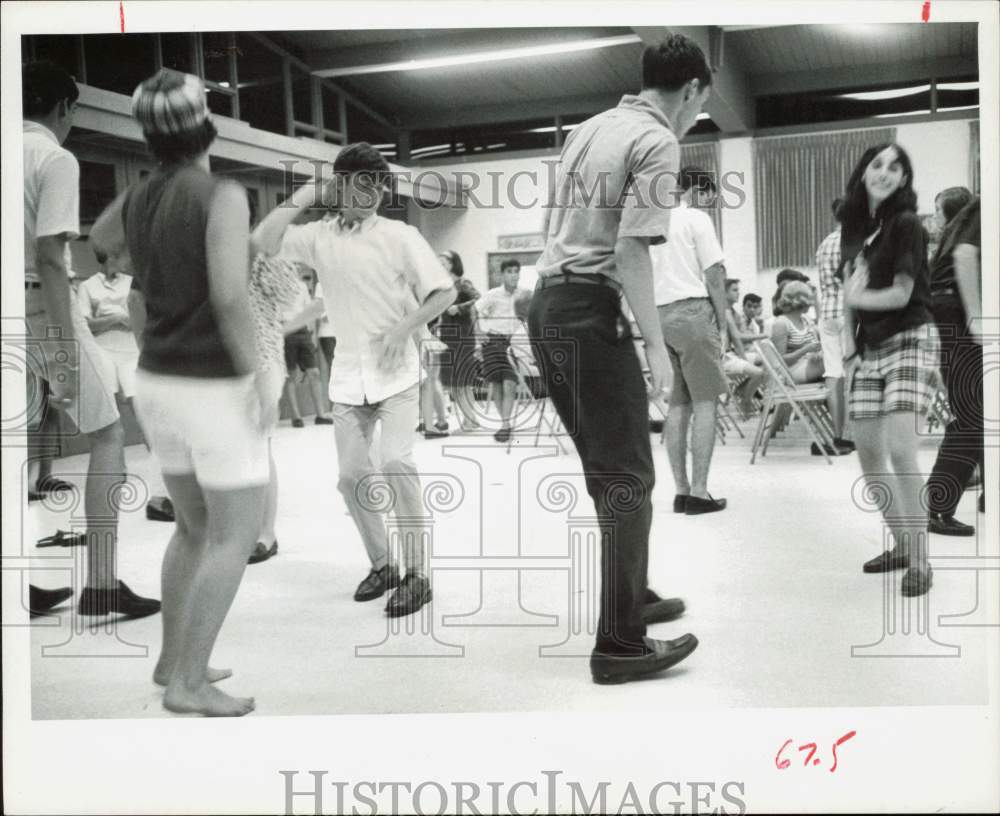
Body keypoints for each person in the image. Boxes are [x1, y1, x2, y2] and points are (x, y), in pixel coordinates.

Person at [91, 68, 271, 715]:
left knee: (193, 528)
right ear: (209, 130)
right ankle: (190, 683)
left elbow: (101, 241)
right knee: (235, 532)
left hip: (155, 378)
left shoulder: (142, 194)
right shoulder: (219, 193)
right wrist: (257, 376)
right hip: (210, 383)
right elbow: (227, 297)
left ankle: (172, 660)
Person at [530, 34, 708, 685]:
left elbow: (559, 220)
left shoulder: (593, 125)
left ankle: (630, 596)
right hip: (587, 308)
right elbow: (633, 251)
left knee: (611, 474)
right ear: (691, 90)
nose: (694, 117)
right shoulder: (660, 139)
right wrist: (657, 349)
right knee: (631, 475)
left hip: (548, 305)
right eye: (699, 105)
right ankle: (621, 646)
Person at [253, 142, 456, 619]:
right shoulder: (319, 236)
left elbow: (443, 292)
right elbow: (263, 240)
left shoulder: (399, 235)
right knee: (350, 477)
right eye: (352, 184)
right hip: (347, 377)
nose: (363, 195)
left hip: (397, 374)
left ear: (382, 191)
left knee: (397, 463)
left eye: (373, 186)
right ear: (339, 186)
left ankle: (418, 575)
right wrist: (309, 189)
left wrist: (405, 329)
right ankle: (382, 564)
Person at [22, 60, 160, 620]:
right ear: (63, 108)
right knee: (107, 435)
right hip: (39, 308)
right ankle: (101, 583)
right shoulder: (52, 156)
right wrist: (63, 354)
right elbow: (52, 259)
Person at [839, 143, 939, 597]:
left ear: (903, 179)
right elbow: (846, 295)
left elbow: (901, 294)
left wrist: (856, 299)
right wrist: (849, 351)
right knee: (868, 456)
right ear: (864, 173)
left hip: (911, 338)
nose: (884, 172)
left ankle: (921, 562)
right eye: (877, 164)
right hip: (869, 349)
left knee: (901, 451)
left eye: (895, 167)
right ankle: (901, 544)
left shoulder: (906, 225)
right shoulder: (856, 229)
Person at [651, 166, 730, 515]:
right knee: (706, 403)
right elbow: (714, 275)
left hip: (659, 316)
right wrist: (724, 324)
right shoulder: (696, 219)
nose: (709, 202)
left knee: (677, 405)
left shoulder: (651, 221)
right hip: (693, 314)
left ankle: (681, 491)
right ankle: (699, 492)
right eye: (708, 194)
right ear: (696, 191)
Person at [80, 250, 177, 522]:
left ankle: (161, 472)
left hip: (132, 351)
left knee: (145, 412)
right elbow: (87, 325)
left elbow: (141, 314)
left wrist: (113, 318)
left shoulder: (131, 282)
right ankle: (115, 468)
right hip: (102, 352)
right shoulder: (88, 287)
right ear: (106, 257)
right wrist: (118, 318)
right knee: (107, 416)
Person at [924, 189, 983, 534]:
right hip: (956, 309)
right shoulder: (988, 202)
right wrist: (976, 317)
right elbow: (965, 255)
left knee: (976, 412)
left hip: (950, 308)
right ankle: (935, 509)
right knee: (971, 414)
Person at [815, 198, 856, 454]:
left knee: (833, 373)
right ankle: (850, 435)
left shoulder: (824, 244)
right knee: (851, 373)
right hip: (850, 311)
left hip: (828, 311)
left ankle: (836, 434)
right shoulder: (855, 244)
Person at [477, 259, 528, 442]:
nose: (513, 275)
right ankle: (505, 424)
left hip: (513, 344)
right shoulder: (492, 295)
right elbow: (474, 311)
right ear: (502, 274)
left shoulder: (524, 294)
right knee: (496, 385)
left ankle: (505, 425)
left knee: (510, 383)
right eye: (509, 271)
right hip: (492, 341)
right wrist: (478, 333)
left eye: (516, 271)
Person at [281, 265, 333, 428]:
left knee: (314, 372)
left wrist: (311, 334)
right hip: (285, 329)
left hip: (303, 331)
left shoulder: (302, 287)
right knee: (292, 374)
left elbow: (309, 310)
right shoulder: (277, 286)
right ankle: (296, 417)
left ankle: (320, 414)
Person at [436, 250, 481, 430]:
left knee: (464, 381)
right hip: (448, 336)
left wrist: (458, 308)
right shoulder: (443, 286)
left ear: (453, 263)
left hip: (463, 335)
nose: (441, 265)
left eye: (444, 261)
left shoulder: (463, 284)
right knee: (455, 382)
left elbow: (478, 299)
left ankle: (471, 419)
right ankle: (468, 419)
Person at [721, 277, 766, 416]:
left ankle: (742, 391)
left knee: (768, 363)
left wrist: (744, 359)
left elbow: (737, 340)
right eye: (734, 290)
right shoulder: (724, 311)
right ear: (724, 292)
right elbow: (738, 337)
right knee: (760, 371)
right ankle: (745, 400)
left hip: (731, 354)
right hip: (723, 357)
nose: (738, 293)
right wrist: (764, 335)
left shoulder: (732, 312)